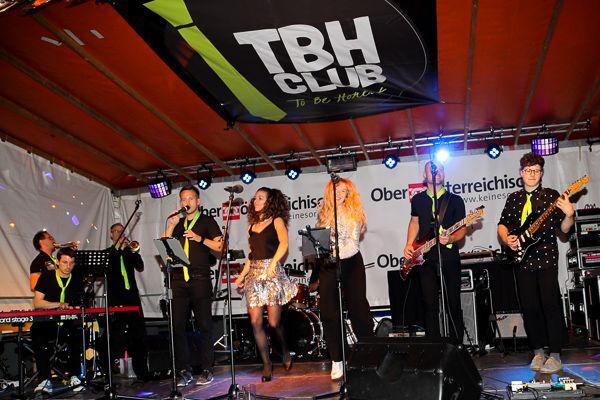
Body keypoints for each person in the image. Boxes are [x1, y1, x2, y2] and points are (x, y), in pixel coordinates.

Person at [498, 152, 574, 374]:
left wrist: (569, 215)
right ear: (521, 173)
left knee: (550, 305)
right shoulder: (513, 198)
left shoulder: (552, 196)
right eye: (528, 170)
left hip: (546, 257)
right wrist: (507, 239)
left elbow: (564, 230)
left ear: (541, 173)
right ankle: (538, 351)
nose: (532, 174)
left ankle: (556, 354)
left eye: (537, 170)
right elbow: (502, 224)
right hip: (522, 259)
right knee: (529, 307)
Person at [164, 185, 223, 387]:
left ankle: (207, 369)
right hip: (178, 280)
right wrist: (171, 226)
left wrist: (200, 238)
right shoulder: (178, 224)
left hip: (199, 279)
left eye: (190, 198)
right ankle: (184, 370)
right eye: (183, 199)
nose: (186, 202)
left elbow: (220, 246)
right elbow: (165, 250)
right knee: (177, 326)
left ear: (198, 201)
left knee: (204, 326)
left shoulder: (207, 221)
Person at [235, 187, 297, 382]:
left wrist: (272, 265)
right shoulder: (251, 226)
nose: (256, 201)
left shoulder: (276, 221)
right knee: (256, 322)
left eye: (261, 198)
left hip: (272, 273)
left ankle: (284, 351)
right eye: (255, 198)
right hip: (254, 275)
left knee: (273, 323)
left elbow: (284, 244)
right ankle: (267, 364)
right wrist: (242, 276)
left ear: (269, 201)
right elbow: (252, 255)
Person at [316, 177, 373, 380]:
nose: (339, 195)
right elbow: (320, 240)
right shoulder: (323, 213)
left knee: (358, 309)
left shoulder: (354, 213)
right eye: (336, 190)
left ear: (349, 195)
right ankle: (338, 358)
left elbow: (352, 245)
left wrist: (334, 253)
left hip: (351, 263)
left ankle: (369, 354)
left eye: (343, 191)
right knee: (329, 312)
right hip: (329, 265)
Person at [403, 161, 466, 342]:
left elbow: (462, 229)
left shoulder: (455, 200)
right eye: (432, 170)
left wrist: (451, 239)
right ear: (425, 175)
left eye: (440, 169)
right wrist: (409, 244)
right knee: (430, 304)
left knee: (453, 302)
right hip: (425, 258)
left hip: (449, 256)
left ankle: (456, 345)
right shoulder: (418, 200)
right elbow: (414, 222)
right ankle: (434, 346)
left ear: (444, 174)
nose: (436, 172)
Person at [31, 247, 84, 394]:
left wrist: (75, 307)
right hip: (46, 322)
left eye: (71, 263)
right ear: (58, 262)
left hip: (67, 323)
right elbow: (37, 303)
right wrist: (58, 304)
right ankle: (44, 379)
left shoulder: (77, 279)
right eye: (65, 262)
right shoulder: (46, 276)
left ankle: (75, 376)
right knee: (39, 336)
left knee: (76, 337)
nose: (68, 266)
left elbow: (79, 304)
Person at [101, 223, 148, 380]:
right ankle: (114, 368)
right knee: (117, 334)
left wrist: (132, 251)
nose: (120, 234)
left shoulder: (129, 252)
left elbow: (140, 266)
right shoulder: (108, 254)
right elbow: (106, 269)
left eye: (122, 231)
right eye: (116, 231)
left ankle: (141, 371)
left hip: (132, 297)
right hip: (116, 299)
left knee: (138, 334)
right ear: (111, 235)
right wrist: (117, 249)